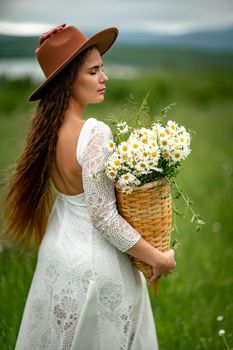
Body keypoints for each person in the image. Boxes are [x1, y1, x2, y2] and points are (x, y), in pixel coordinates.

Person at [2, 24, 176, 349]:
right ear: (69, 79)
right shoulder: (94, 134)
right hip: (98, 268)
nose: (103, 78)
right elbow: (104, 217)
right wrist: (157, 258)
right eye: (93, 71)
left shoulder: (45, 131)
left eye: (102, 69)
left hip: (58, 255)